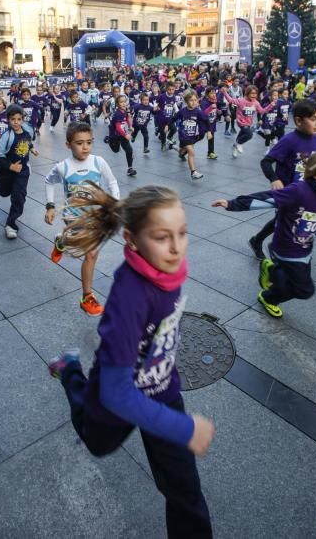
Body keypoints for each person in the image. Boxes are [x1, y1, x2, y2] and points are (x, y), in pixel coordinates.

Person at [48, 184, 215, 538]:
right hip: (117, 398)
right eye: (162, 237)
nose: (176, 247)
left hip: (162, 390)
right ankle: (70, 371)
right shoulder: (130, 297)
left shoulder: (168, 266)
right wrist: (185, 429)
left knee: (185, 491)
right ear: (133, 240)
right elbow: (115, 392)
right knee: (98, 444)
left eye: (182, 234)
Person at [213, 150, 316, 317]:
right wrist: (232, 204)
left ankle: (271, 268)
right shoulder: (299, 191)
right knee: (304, 290)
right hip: (286, 249)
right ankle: (268, 298)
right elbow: (268, 198)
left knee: (289, 281)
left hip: (304, 250)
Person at [44, 122, 120, 317]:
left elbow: (112, 182)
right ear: (68, 144)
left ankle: (60, 242)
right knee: (92, 253)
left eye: (89, 142)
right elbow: (48, 182)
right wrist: (50, 206)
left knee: (87, 251)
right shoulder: (63, 167)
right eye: (79, 143)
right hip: (73, 218)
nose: (85, 147)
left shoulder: (98, 162)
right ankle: (87, 297)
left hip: (95, 216)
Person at [248, 100, 316, 260]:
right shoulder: (289, 140)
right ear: (298, 120)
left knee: (284, 219)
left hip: (305, 191)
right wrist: (274, 179)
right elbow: (266, 161)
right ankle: (270, 246)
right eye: (314, 119)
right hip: (288, 191)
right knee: (285, 220)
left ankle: (260, 241)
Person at [0, 104, 39, 239]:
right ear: (8, 119)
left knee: (19, 196)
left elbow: (27, 142)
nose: (16, 122)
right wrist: (10, 166)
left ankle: (11, 224)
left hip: (23, 171)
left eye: (19, 119)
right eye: (13, 119)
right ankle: (6, 191)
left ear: (22, 120)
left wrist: (32, 149)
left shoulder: (26, 132)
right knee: (5, 193)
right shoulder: (6, 136)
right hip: (8, 172)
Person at [221, 84, 276, 158]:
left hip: (248, 123)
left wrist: (271, 105)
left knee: (242, 135)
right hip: (241, 122)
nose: (254, 95)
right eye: (252, 93)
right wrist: (224, 92)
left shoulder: (256, 103)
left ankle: (235, 146)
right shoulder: (241, 101)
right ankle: (238, 144)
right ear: (247, 93)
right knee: (249, 134)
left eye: (255, 93)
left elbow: (262, 111)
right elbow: (230, 100)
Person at [175, 89, 207, 179]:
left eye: (195, 100)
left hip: (193, 135)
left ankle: (176, 148)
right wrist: (168, 126)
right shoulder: (182, 111)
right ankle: (193, 172)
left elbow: (205, 120)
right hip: (183, 134)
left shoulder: (198, 111)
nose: (194, 102)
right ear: (186, 101)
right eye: (191, 100)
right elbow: (174, 118)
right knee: (191, 152)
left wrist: (208, 131)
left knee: (183, 150)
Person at [109, 95, 137, 176]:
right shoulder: (117, 114)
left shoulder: (125, 111)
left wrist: (130, 126)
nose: (124, 103)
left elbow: (127, 118)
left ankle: (130, 169)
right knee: (116, 150)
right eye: (121, 102)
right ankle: (109, 141)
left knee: (129, 150)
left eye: (124, 101)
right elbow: (118, 127)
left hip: (122, 134)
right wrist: (125, 135)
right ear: (117, 104)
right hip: (115, 136)